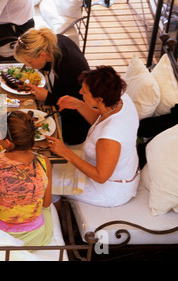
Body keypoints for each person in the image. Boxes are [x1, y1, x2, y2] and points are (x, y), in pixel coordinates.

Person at [47, 66, 140, 207]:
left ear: (99, 99)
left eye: (84, 92)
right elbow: (102, 120)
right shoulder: (122, 100)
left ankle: (57, 218)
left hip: (108, 189)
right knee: (47, 165)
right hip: (115, 171)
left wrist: (65, 152)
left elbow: (100, 176)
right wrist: (79, 105)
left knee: (44, 179)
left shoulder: (109, 138)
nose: (79, 92)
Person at [0, 111, 53, 246]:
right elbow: (46, 204)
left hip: (0, 235)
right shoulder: (44, 162)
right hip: (34, 238)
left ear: (7, 142)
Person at [14, 27, 91, 145]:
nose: (29, 66)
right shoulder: (54, 42)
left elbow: (77, 106)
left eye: (30, 62)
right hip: (59, 102)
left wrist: (48, 97)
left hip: (75, 125)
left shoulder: (70, 70)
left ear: (42, 55)